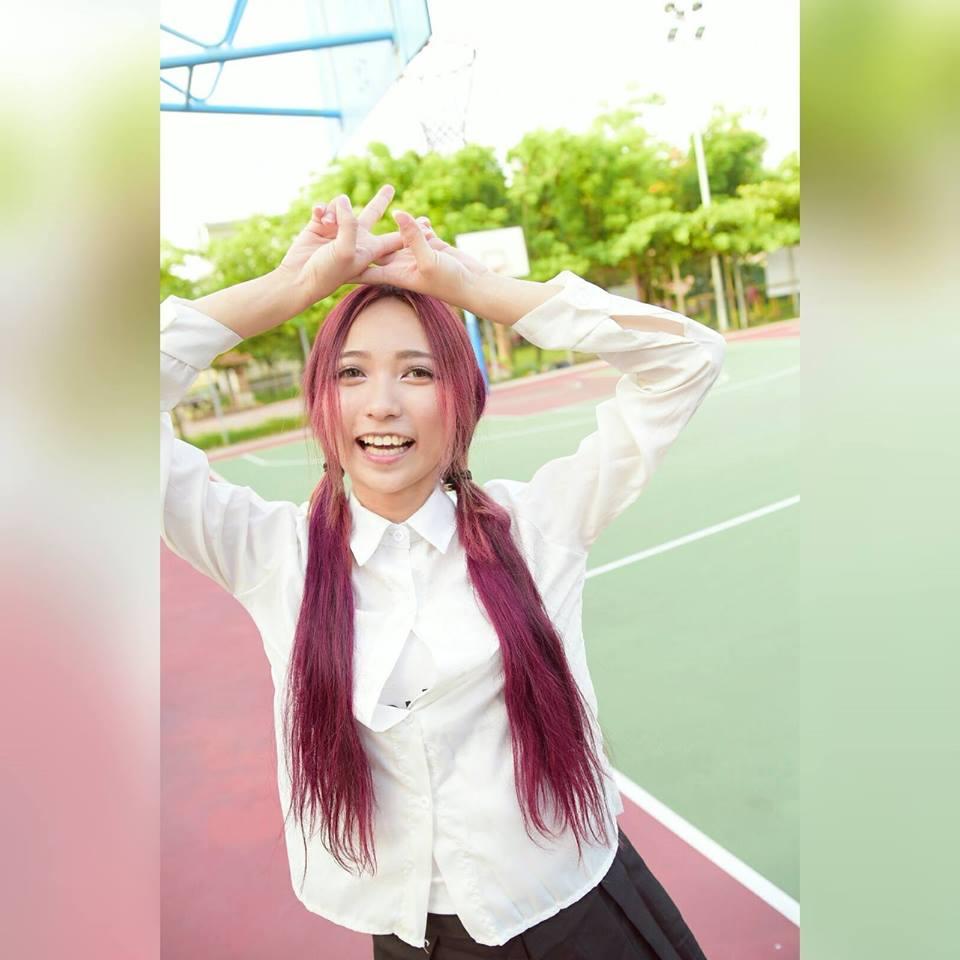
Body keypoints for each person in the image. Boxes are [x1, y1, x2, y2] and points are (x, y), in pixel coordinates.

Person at [160, 184, 726, 959]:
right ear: (320, 399)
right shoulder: (270, 554)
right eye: (351, 373)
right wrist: (287, 289)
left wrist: (479, 288)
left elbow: (689, 359)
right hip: (414, 941)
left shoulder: (539, 526)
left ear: (461, 398)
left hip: (580, 912)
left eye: (418, 373)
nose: (382, 405)